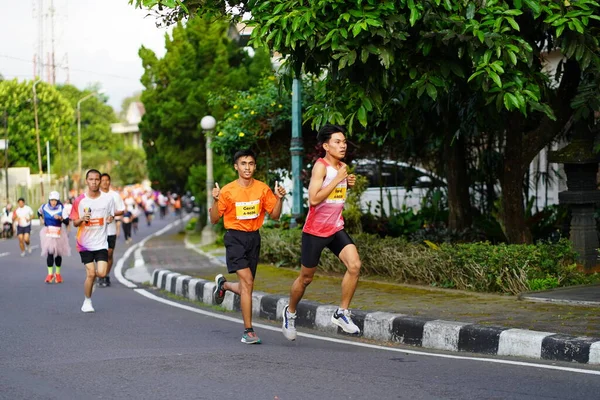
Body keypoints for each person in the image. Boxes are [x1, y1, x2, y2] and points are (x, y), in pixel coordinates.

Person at [282, 124, 362, 341]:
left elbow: (336, 194)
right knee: (306, 279)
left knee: (354, 266)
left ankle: (342, 313)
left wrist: (348, 182)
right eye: (337, 142)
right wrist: (338, 179)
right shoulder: (321, 167)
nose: (343, 145)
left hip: (336, 228)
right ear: (326, 146)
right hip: (315, 231)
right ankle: (290, 312)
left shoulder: (342, 167)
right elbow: (315, 199)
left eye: (344, 141)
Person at [211, 149, 286, 344]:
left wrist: (279, 199)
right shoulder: (227, 191)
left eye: (251, 163)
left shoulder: (262, 189)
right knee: (248, 282)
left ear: (255, 166)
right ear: (236, 166)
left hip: (254, 238)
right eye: (243, 163)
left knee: (247, 286)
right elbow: (213, 220)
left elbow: (275, 215)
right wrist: (215, 200)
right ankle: (248, 331)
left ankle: (224, 285)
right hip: (234, 238)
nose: (247, 167)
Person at [70, 169, 115, 313]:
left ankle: (92, 282)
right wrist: (82, 219)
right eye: (91, 179)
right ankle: (87, 301)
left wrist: (110, 218)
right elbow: (74, 223)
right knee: (90, 273)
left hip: (101, 242)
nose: (94, 182)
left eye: (97, 179)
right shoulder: (80, 200)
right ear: (86, 181)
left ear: (100, 181)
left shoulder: (108, 199)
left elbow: (111, 215)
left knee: (101, 273)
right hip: (85, 244)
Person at [38, 191, 71, 283]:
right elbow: (39, 212)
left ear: (58, 200)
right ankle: (50, 274)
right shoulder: (44, 207)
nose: (53, 202)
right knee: (50, 252)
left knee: (58, 253)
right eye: (52, 200)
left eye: (55, 200)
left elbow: (67, 221)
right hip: (48, 233)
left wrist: (61, 218)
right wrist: (41, 219)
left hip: (58, 233)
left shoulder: (61, 208)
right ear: (49, 200)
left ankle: (58, 273)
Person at [100, 173, 125, 287]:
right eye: (103, 180)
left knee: (109, 253)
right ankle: (101, 275)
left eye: (107, 180)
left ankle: (106, 274)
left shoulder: (115, 195)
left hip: (111, 230)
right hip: (98, 231)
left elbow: (122, 210)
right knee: (100, 254)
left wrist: (112, 214)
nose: (105, 182)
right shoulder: (96, 196)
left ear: (110, 182)